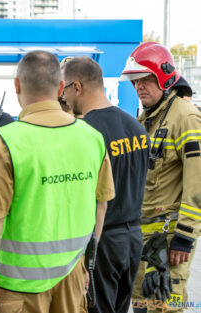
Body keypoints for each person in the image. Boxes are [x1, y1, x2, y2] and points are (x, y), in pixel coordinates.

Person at [0, 50, 115, 313]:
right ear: (61, 87)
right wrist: (86, 266)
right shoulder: (92, 137)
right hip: (72, 276)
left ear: (16, 85)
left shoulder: (6, 141)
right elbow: (101, 205)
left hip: (21, 285)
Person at [62, 56, 150, 313]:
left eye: (65, 89)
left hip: (100, 240)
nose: (64, 98)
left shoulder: (84, 133)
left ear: (77, 87)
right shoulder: (138, 128)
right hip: (133, 239)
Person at [120, 42, 201, 313]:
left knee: (164, 307)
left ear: (163, 76)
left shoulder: (186, 116)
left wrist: (185, 236)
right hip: (142, 242)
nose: (139, 87)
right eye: (135, 81)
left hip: (169, 243)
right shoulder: (146, 119)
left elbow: (197, 180)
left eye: (145, 79)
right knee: (142, 307)